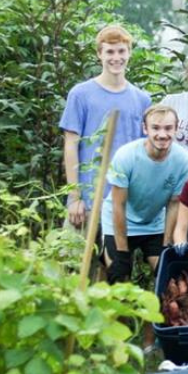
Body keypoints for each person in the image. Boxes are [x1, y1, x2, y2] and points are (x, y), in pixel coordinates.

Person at [102, 105, 188, 347]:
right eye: (155, 128)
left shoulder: (183, 160)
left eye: (168, 128)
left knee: (165, 277)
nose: (162, 134)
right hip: (118, 221)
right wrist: (121, 252)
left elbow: (175, 204)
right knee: (118, 278)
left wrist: (166, 244)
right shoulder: (126, 155)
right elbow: (119, 206)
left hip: (153, 222)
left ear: (176, 130)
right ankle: (119, 342)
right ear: (145, 129)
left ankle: (150, 340)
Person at [60, 24, 151, 232]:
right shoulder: (80, 94)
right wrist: (75, 197)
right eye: (110, 51)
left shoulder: (142, 99)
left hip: (123, 203)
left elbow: (143, 153)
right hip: (88, 201)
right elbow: (70, 146)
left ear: (129, 53)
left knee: (114, 264)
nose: (116, 57)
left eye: (121, 51)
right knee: (73, 263)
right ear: (99, 54)